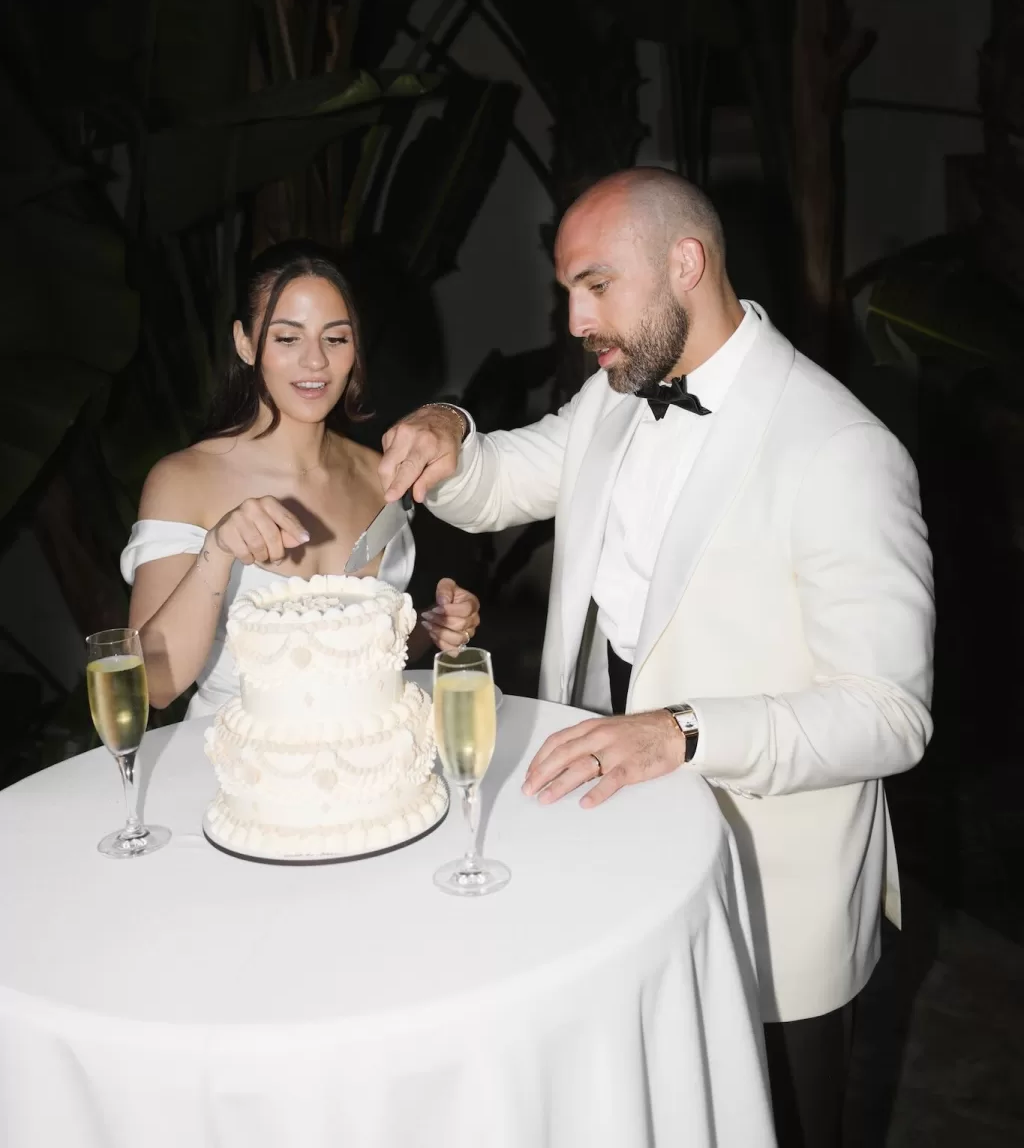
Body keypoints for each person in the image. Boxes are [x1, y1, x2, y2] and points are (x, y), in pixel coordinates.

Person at [377, 169, 934, 1148]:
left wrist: (679, 733)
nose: (577, 317)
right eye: (567, 293)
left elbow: (889, 712)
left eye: (596, 285)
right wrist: (450, 429)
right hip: (602, 845)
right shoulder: (615, 396)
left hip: (766, 887)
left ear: (686, 263)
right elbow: (501, 481)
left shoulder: (841, 448)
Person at [122, 240, 479, 716]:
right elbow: (154, 686)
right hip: (229, 770)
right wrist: (218, 551)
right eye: (287, 338)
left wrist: (432, 628)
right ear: (245, 343)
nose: (316, 362)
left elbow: (360, 660)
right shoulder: (183, 480)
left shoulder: (382, 475)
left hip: (364, 763)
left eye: (335, 338)